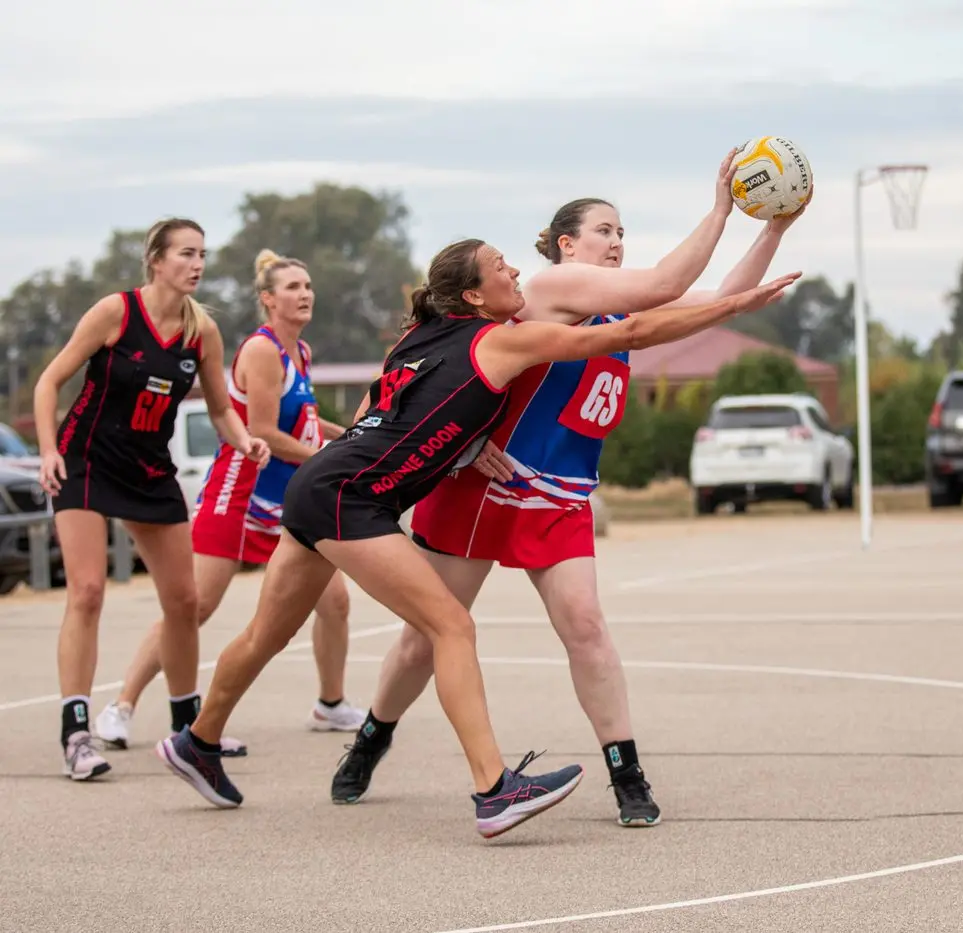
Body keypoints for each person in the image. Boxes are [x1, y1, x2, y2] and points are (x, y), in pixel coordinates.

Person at [155, 235, 800, 840]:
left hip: (324, 483)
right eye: (501, 268)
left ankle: (197, 741)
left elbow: (375, 415)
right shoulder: (495, 342)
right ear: (472, 296)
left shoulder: (417, 338)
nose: (516, 271)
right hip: (353, 498)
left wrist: (454, 449)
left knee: (265, 636)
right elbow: (631, 330)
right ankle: (494, 790)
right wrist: (738, 305)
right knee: (451, 629)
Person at [330, 154, 808, 826]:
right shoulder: (551, 287)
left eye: (622, 232)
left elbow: (720, 294)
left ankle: (626, 772)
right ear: (566, 246)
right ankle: (372, 736)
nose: (616, 242)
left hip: (559, 493)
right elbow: (671, 280)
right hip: (486, 485)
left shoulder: (618, 302)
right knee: (423, 637)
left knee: (585, 625)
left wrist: (773, 229)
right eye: (604, 231)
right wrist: (723, 207)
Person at [94, 249, 368, 755]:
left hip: (288, 498)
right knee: (193, 607)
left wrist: (350, 436)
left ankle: (330, 704)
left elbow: (302, 419)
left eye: (307, 285)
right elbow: (263, 432)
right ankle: (122, 705)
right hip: (240, 492)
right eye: (291, 287)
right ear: (267, 299)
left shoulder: (299, 354)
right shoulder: (261, 351)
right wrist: (326, 462)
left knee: (335, 601)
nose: (304, 294)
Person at [32, 217, 271, 782]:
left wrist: (245, 439)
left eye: (202, 255)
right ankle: (77, 734)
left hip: (149, 470)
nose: (198, 264)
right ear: (157, 260)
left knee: (184, 602)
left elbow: (219, 410)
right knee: (88, 592)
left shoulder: (200, 332)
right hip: (85, 461)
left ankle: (189, 729)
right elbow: (49, 381)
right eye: (187, 254)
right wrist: (46, 450)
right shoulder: (115, 312)